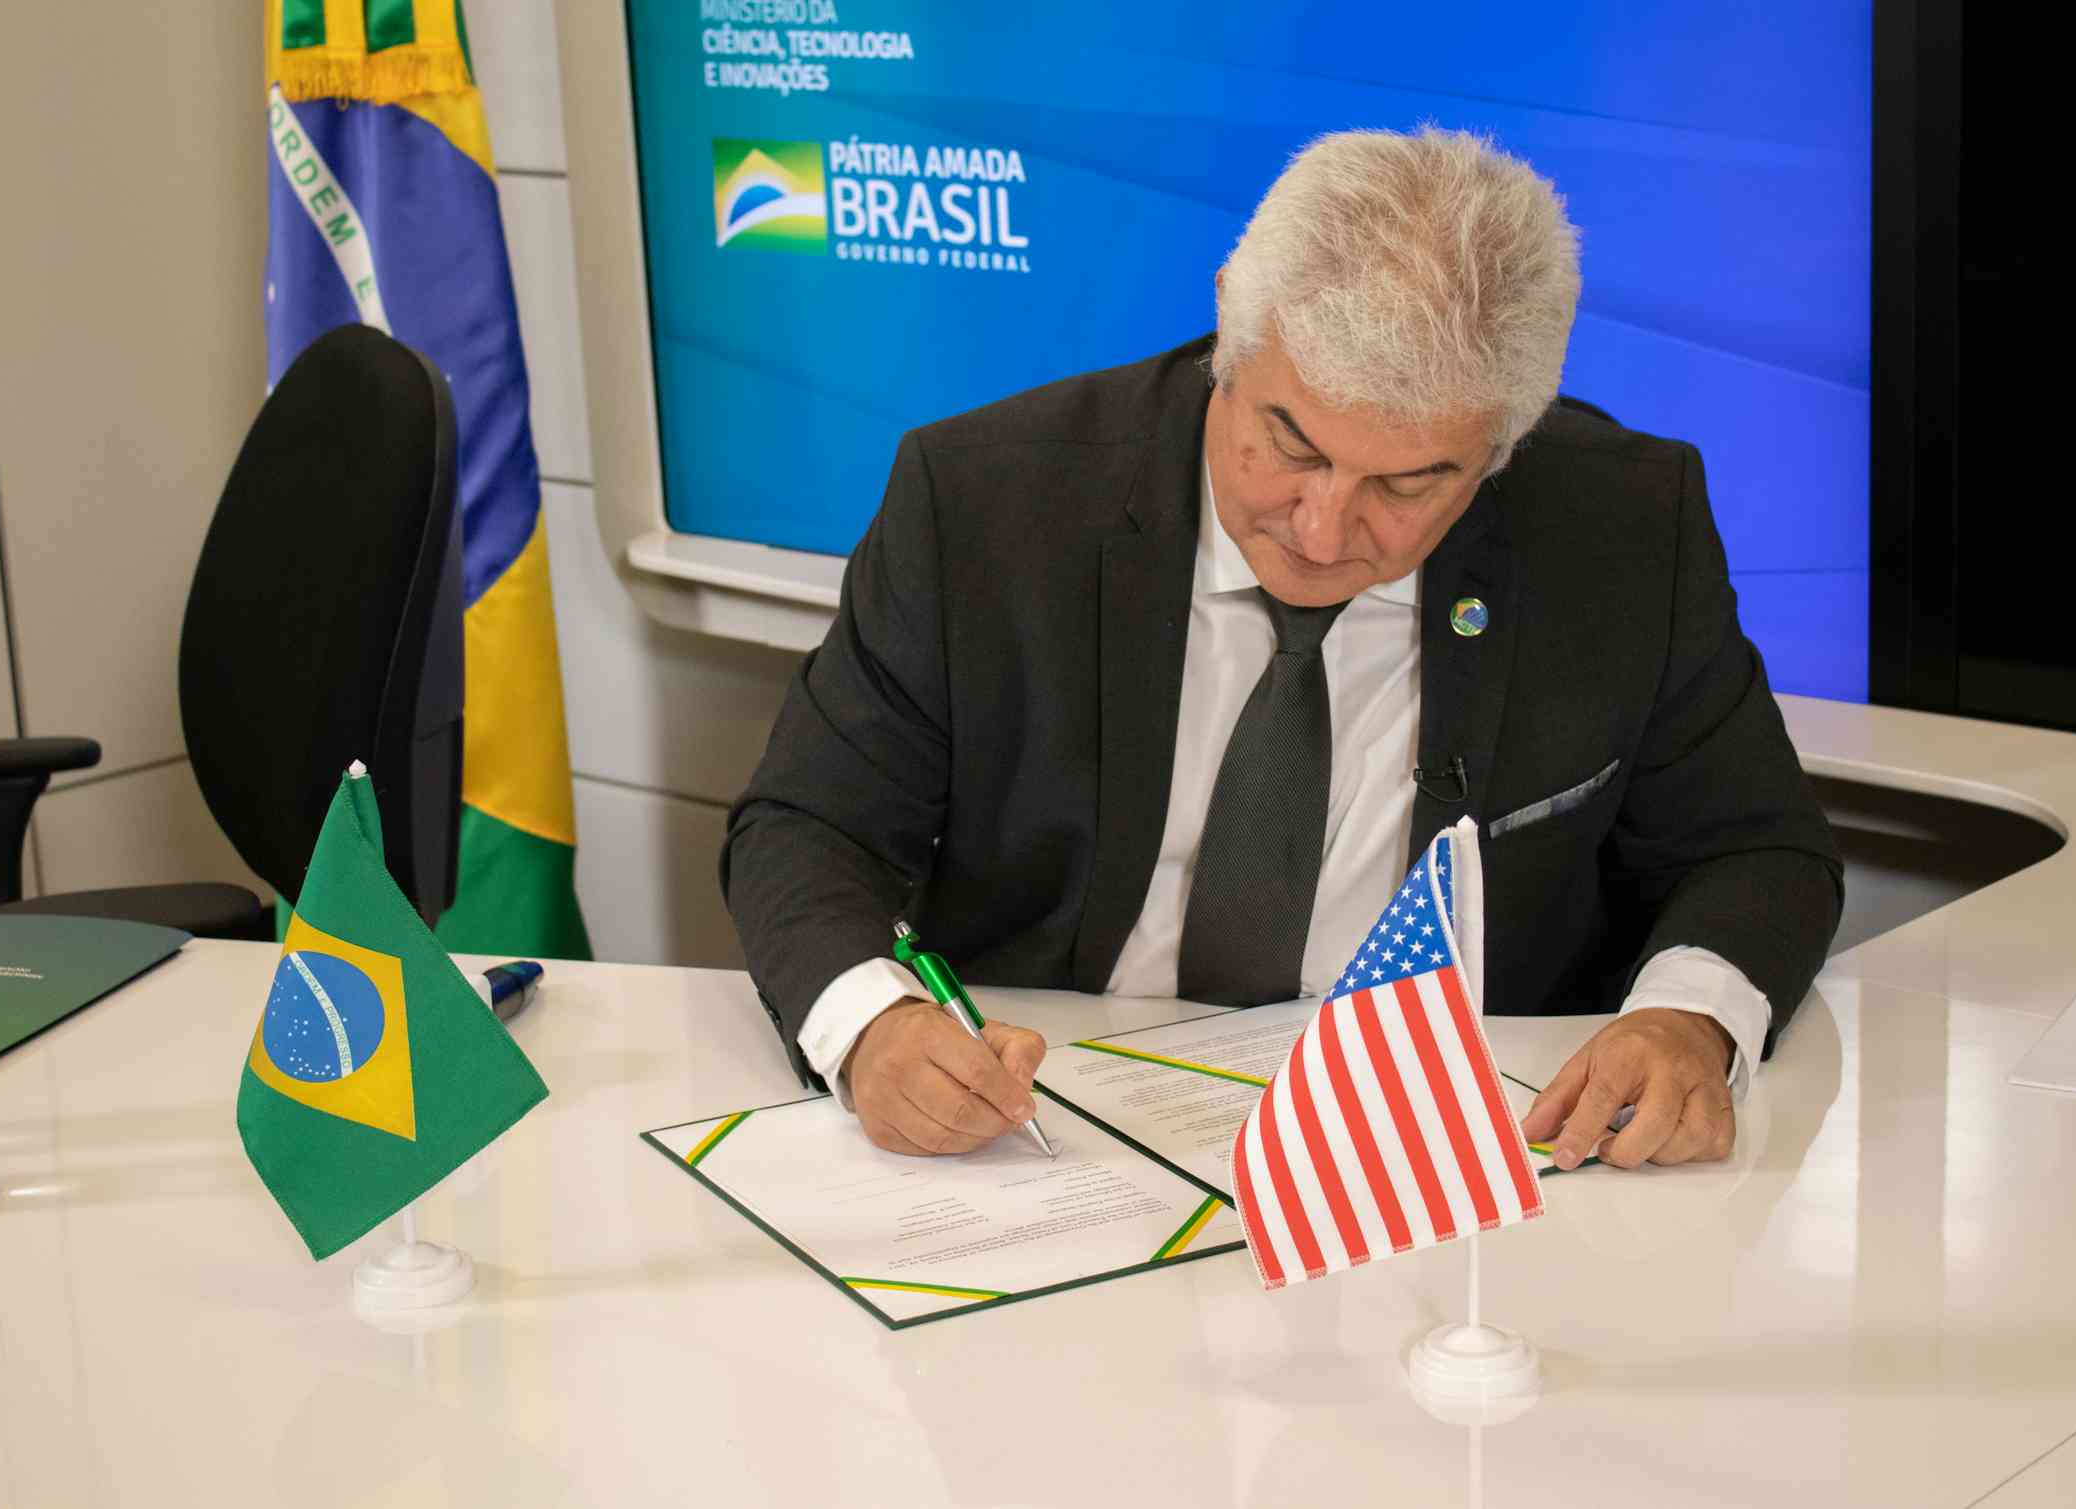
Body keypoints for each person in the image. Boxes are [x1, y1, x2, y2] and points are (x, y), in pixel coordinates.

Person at [723, 127, 1841, 1174]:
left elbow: (1757, 850)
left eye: (1408, 483)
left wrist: (1688, 1020)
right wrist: (874, 1026)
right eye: (1290, 444)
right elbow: (807, 825)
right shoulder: (985, 501)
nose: (1322, 529)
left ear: (1504, 445)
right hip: (1047, 1130)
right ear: (1229, 326)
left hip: (1439, 1158)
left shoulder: (1626, 530)